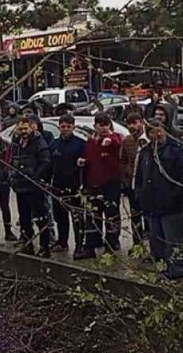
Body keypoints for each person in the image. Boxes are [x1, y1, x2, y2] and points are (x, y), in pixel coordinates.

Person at [135, 119, 183, 280]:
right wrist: (140, 195)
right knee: (157, 241)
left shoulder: (175, 151)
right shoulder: (145, 152)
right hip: (151, 205)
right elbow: (140, 176)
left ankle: (178, 272)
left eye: (159, 130)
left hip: (171, 206)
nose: (157, 135)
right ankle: (164, 268)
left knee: (174, 241)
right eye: (152, 132)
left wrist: (175, 196)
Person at [77, 113, 124, 258]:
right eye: (100, 125)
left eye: (106, 125)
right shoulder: (91, 142)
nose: (103, 128)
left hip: (111, 184)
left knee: (111, 215)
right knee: (92, 216)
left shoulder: (114, 138)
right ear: (95, 126)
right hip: (93, 184)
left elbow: (116, 142)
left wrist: (109, 138)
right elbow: (89, 159)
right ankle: (91, 246)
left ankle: (111, 245)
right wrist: (82, 161)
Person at [8, 117, 53, 256]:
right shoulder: (16, 144)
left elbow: (46, 162)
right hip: (20, 187)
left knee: (41, 218)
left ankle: (45, 247)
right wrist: (11, 177)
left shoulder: (39, 143)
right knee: (24, 219)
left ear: (31, 128)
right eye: (20, 129)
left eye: (25, 128)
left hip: (35, 187)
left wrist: (36, 177)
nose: (23, 132)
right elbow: (11, 161)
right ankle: (28, 245)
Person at [48, 115, 87, 252]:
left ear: (73, 127)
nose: (65, 129)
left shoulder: (81, 144)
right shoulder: (54, 144)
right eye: (63, 127)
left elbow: (86, 165)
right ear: (59, 127)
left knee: (77, 218)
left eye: (68, 127)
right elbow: (49, 165)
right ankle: (62, 242)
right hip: (57, 186)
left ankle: (79, 244)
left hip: (75, 186)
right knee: (60, 217)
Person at [120, 109, 148, 250]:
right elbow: (123, 160)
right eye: (129, 124)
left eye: (134, 123)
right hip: (132, 184)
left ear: (141, 123)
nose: (131, 127)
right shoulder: (127, 141)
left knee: (148, 217)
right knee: (135, 215)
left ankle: (152, 247)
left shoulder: (149, 139)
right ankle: (137, 245)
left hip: (148, 185)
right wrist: (126, 175)